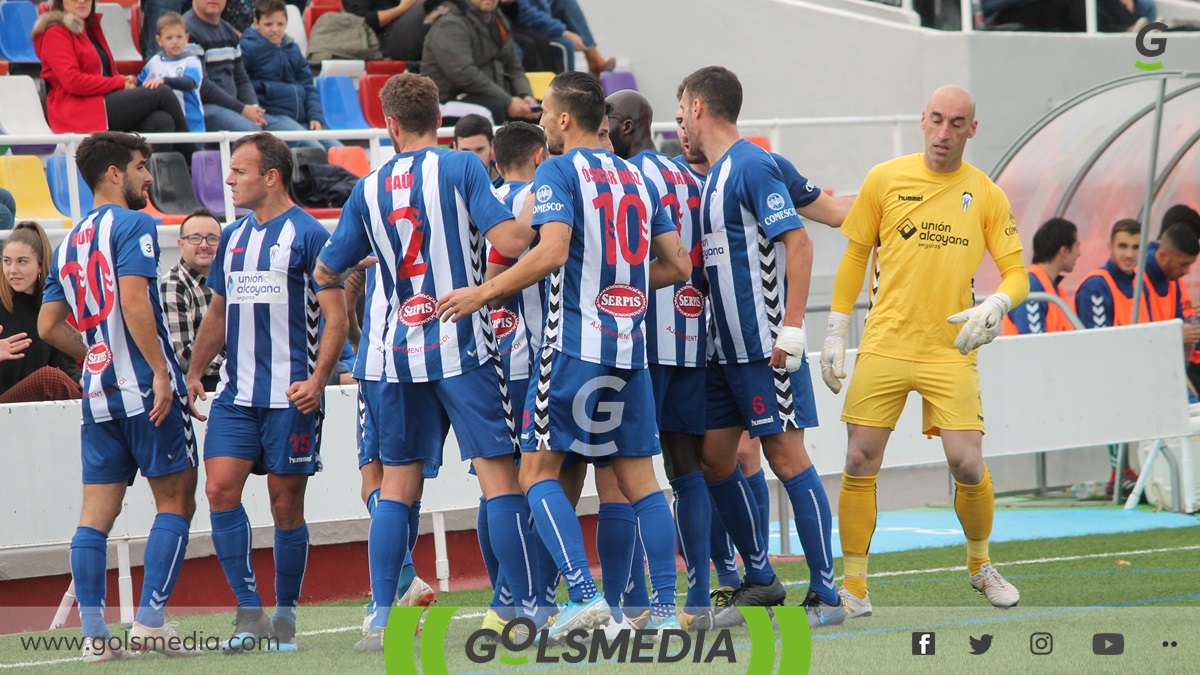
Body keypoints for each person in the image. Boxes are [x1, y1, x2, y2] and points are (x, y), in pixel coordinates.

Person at [436, 70, 690, 640]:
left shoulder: (555, 169)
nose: (542, 121)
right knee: (641, 482)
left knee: (535, 471)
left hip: (572, 346)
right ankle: (666, 613)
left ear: (565, 119)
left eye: (546, 113)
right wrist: (616, 283)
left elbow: (551, 253)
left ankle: (583, 595)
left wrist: (482, 292)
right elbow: (679, 266)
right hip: (630, 349)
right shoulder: (639, 178)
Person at [314, 73, 538, 652]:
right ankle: (522, 607)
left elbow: (324, 270)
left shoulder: (367, 188)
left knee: (397, 488)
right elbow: (511, 242)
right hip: (463, 344)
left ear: (389, 125)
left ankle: (382, 618)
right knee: (497, 478)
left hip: (395, 353)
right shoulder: (463, 168)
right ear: (439, 121)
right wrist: (547, 214)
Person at [821, 85, 1029, 620]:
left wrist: (999, 303)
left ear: (971, 130)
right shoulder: (885, 178)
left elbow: (1017, 271)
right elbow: (856, 253)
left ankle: (980, 565)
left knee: (966, 463)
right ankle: (855, 587)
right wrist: (835, 327)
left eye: (956, 123)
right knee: (858, 459)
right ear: (923, 120)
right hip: (886, 342)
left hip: (950, 348)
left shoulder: (985, 193)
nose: (944, 132)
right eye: (936, 119)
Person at [676, 67, 842, 629]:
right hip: (724, 353)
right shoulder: (724, 172)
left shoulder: (747, 165)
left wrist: (792, 328)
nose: (679, 125)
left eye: (681, 113)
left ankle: (826, 594)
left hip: (763, 348)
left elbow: (797, 240)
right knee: (715, 460)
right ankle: (761, 579)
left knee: (786, 457)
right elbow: (836, 210)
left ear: (699, 108)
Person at [183, 133, 349, 653]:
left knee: (285, 509)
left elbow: (337, 318)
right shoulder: (231, 237)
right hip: (236, 394)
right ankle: (248, 612)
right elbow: (217, 314)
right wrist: (194, 371)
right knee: (218, 491)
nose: (228, 179)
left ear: (271, 176)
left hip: (290, 397)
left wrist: (318, 381)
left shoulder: (308, 235)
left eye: (239, 170)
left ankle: (286, 616)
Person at [37, 132, 199, 661]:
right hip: (145, 394)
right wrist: (158, 370)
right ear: (114, 174)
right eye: (140, 166)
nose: (148, 177)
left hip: (99, 398)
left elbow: (47, 325)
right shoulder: (135, 224)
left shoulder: (68, 241)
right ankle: (150, 621)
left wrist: (93, 355)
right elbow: (133, 300)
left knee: (94, 516)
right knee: (175, 501)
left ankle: (94, 637)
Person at [603, 89, 714, 629]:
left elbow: (630, 261)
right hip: (692, 338)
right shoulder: (686, 176)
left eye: (605, 125)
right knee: (687, 472)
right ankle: (699, 596)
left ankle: (635, 598)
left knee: (628, 476)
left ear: (625, 127)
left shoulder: (626, 179)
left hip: (642, 342)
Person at [33, 0, 190, 136]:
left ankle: (152, 170)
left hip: (100, 102)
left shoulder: (90, 29)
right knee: (162, 92)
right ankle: (195, 158)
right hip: (76, 110)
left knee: (162, 121)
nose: (82, 1)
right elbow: (73, 81)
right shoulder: (55, 32)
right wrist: (119, 83)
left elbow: (104, 73)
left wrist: (124, 81)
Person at [240, 0, 341, 150]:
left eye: (280, 24)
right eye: (268, 24)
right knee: (314, 149)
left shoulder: (293, 48)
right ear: (256, 22)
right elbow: (241, 82)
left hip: (302, 120)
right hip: (271, 117)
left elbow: (308, 85)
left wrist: (314, 116)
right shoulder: (247, 48)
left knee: (339, 149)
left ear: (286, 23)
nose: (275, 29)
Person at [187, 0, 299, 135]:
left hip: (235, 108)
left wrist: (253, 108)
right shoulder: (187, 31)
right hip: (203, 108)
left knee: (291, 135)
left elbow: (241, 77)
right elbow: (202, 86)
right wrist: (242, 109)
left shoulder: (228, 31)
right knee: (255, 135)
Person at [0, 222, 83, 403]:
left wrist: (83, 381)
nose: (12, 270)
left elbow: (65, 367)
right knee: (47, 379)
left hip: (33, 410)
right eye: (7, 261)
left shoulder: (50, 311)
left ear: (40, 264)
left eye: (22, 261)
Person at [422, 0, 540, 124]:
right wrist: (508, 102)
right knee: (494, 109)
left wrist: (525, 96)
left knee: (540, 110)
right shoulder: (449, 24)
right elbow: (464, 74)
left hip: (491, 95)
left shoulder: (497, 18)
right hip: (447, 99)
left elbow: (514, 67)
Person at [160, 209, 224, 393]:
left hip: (231, 378)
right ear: (181, 244)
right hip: (199, 385)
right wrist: (237, 363)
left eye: (212, 238)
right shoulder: (173, 285)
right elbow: (184, 358)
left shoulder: (229, 279)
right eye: (195, 238)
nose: (204, 245)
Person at [1002, 217, 1080, 335]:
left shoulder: (1055, 290)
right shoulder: (1030, 287)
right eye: (1077, 246)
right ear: (1064, 251)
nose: (1079, 253)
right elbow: (1033, 344)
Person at [137, 13, 206, 133]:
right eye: (169, 38)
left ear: (187, 38)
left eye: (179, 37)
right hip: (167, 125)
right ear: (159, 40)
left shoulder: (192, 61)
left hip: (192, 125)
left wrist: (165, 81)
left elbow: (188, 83)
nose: (175, 42)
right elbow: (139, 83)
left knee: (192, 152)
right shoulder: (153, 62)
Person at [1075, 219, 1144, 328]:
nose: (1129, 254)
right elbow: (1098, 340)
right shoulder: (1096, 286)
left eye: (1136, 247)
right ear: (1110, 247)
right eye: (1122, 246)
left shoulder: (1141, 284)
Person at [343, 0, 428, 62]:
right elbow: (361, 20)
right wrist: (401, 9)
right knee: (430, 5)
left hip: (407, 30)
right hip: (378, 42)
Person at [453, 114, 504, 187]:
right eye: (466, 151)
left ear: (492, 146)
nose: (473, 158)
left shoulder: (506, 179)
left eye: (479, 150)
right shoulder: (442, 179)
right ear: (455, 148)